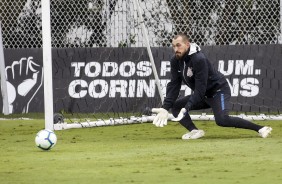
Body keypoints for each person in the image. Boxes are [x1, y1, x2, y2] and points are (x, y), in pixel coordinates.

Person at [152, 33, 272, 139]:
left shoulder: (199, 59)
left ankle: (261, 129)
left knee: (222, 120)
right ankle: (195, 131)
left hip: (218, 91)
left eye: (178, 45)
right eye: (173, 46)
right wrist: (165, 108)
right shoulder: (175, 60)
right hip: (203, 94)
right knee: (176, 106)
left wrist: (187, 107)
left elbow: (200, 89)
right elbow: (174, 85)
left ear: (187, 44)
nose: (175, 49)